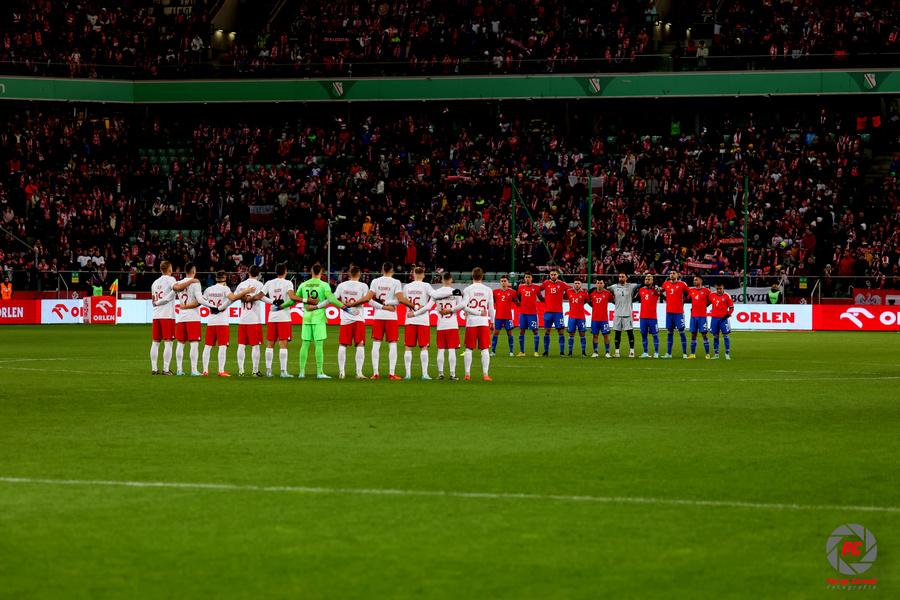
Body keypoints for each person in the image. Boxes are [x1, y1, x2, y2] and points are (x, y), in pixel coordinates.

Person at [294, 263, 355, 379]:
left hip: (306, 317)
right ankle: (319, 372)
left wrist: (281, 306)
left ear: (311, 272)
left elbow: (295, 299)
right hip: (318, 318)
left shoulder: (303, 284)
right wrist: (345, 308)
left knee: (305, 344)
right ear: (321, 272)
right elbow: (331, 299)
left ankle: (301, 372)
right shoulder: (324, 285)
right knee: (319, 345)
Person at [359, 262, 413, 380]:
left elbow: (369, 299)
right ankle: (392, 373)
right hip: (391, 316)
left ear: (382, 269)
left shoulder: (375, 281)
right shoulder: (396, 282)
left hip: (378, 315)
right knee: (392, 344)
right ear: (392, 270)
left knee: (376, 343)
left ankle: (375, 373)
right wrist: (388, 305)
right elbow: (400, 300)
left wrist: (382, 306)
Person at [201, 270, 251, 377]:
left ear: (216, 278)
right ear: (225, 278)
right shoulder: (225, 289)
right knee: (222, 346)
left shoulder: (208, 289)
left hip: (211, 321)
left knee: (208, 346)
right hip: (222, 321)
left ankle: (205, 370)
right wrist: (245, 291)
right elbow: (233, 298)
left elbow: (202, 301)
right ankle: (221, 370)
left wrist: (211, 307)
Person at [415, 272, 464, 379]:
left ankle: (440, 374)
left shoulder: (436, 292)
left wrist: (415, 313)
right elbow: (461, 305)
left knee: (441, 349)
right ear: (451, 280)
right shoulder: (456, 292)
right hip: (452, 324)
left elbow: (428, 307)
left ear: (442, 280)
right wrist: (451, 310)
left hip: (441, 325)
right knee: (452, 349)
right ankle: (452, 374)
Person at [453, 267, 494, 381]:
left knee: (469, 349)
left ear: (472, 276)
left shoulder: (468, 289)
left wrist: (470, 311)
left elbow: (463, 306)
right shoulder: (488, 290)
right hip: (483, 322)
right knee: (485, 349)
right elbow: (491, 308)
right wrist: (492, 321)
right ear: (482, 276)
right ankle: (485, 374)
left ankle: (467, 374)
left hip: (471, 322)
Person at [400, 267, 439, 379]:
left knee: (408, 347)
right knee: (424, 347)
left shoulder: (407, 286)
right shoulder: (426, 285)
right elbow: (435, 296)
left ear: (413, 274)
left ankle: (408, 374)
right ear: (423, 275)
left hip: (410, 320)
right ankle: (425, 374)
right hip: (423, 320)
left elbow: (402, 300)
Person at [334, 266, 370, 379]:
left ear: (350, 273)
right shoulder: (363, 286)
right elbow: (367, 299)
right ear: (359, 274)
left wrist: (344, 305)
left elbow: (333, 298)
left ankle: (341, 372)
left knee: (342, 344)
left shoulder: (342, 285)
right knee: (360, 344)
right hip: (358, 318)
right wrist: (354, 304)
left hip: (345, 319)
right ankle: (359, 372)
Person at [260, 263, 295, 378]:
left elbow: (260, 296)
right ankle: (283, 371)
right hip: (284, 317)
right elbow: (291, 296)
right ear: (285, 271)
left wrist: (272, 302)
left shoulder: (269, 283)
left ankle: (268, 371)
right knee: (283, 344)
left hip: (272, 316)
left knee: (270, 343)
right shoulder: (288, 283)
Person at [172, 262, 203, 376]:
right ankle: (194, 370)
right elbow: (199, 301)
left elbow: (175, 289)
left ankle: (179, 370)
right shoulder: (196, 283)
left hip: (181, 317)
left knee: (180, 343)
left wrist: (183, 306)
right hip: (193, 317)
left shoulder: (179, 283)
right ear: (194, 271)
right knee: (194, 344)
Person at [234, 265, 265, 377]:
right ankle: (255, 371)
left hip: (243, 319)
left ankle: (241, 371)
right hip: (254, 320)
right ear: (258, 274)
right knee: (255, 346)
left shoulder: (241, 285)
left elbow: (234, 297)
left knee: (241, 345)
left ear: (248, 272)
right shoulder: (260, 285)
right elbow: (263, 298)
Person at [149, 261, 177, 375]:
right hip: (167, 315)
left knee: (155, 342)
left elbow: (153, 300)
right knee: (168, 342)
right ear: (170, 269)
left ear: (161, 269)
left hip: (156, 315)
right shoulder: (171, 279)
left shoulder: (154, 283)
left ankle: (154, 368)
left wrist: (157, 302)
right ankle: (166, 369)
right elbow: (174, 291)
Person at [540, 268, 570, 356]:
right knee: (547, 331)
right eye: (551, 275)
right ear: (550, 275)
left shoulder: (562, 284)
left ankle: (562, 352)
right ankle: (546, 351)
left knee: (561, 332)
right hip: (548, 312)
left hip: (558, 312)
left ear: (558, 275)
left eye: (554, 274)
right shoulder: (546, 283)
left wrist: (565, 296)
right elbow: (538, 290)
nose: (553, 276)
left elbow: (570, 290)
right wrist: (542, 299)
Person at [608, 272, 638, 358]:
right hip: (617, 314)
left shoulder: (631, 286)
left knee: (630, 333)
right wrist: (613, 301)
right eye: (620, 277)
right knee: (617, 333)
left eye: (622, 276)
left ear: (626, 278)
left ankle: (632, 352)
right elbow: (605, 290)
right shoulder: (614, 287)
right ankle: (617, 352)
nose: (621, 278)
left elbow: (641, 285)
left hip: (627, 313)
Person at [661, 271, 690, 358]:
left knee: (681, 332)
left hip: (679, 313)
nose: (672, 274)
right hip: (669, 312)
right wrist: (665, 298)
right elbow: (659, 292)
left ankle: (684, 353)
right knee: (669, 332)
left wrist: (684, 301)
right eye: (670, 273)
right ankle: (668, 353)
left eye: (674, 273)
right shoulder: (666, 284)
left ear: (677, 275)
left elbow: (689, 293)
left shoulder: (682, 284)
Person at [515, 272, 542, 356]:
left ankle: (536, 351)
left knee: (535, 331)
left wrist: (548, 301)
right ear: (524, 278)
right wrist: (518, 303)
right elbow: (518, 298)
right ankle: (522, 352)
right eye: (526, 277)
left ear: (531, 278)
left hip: (532, 313)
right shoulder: (520, 287)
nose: (527, 279)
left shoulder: (536, 287)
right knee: (522, 331)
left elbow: (541, 298)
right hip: (523, 313)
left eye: (529, 277)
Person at [491, 275, 517, 357]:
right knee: (496, 333)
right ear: (500, 282)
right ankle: (493, 351)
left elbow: (517, 302)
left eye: (505, 281)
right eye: (502, 281)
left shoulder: (513, 292)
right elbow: (491, 303)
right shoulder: (495, 292)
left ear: (508, 282)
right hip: (498, 316)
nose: (503, 282)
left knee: (510, 333)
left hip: (508, 317)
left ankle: (511, 351)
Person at [687, 276, 712, 359]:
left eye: (696, 280)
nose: (694, 281)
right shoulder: (691, 290)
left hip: (702, 316)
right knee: (693, 335)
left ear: (701, 281)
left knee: (704, 334)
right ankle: (692, 354)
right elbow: (687, 299)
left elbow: (711, 300)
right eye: (694, 280)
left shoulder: (706, 291)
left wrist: (705, 306)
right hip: (693, 316)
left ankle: (707, 354)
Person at [637, 274, 662, 358]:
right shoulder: (641, 290)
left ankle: (656, 353)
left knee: (655, 335)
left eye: (649, 279)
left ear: (652, 281)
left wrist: (657, 288)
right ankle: (645, 352)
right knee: (643, 335)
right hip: (643, 317)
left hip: (652, 317)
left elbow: (660, 293)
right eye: (646, 279)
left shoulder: (655, 290)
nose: (647, 280)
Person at [709, 282, 735, 360]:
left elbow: (731, 308)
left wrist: (727, 315)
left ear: (723, 288)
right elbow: (707, 303)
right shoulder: (712, 295)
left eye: (720, 288)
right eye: (717, 289)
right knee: (715, 336)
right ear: (715, 288)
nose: (719, 290)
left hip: (723, 319)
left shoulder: (727, 296)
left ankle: (727, 354)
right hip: (714, 319)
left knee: (726, 336)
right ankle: (716, 354)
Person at [589, 278, 613, 358]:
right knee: (595, 335)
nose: (599, 284)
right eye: (598, 283)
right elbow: (588, 301)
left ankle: (607, 352)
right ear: (596, 284)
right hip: (594, 319)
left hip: (604, 319)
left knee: (606, 335)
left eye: (601, 283)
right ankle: (595, 352)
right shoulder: (592, 293)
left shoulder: (607, 293)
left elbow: (613, 300)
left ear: (603, 284)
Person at [564, 279, 589, 357]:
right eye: (575, 283)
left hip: (581, 317)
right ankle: (570, 352)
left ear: (581, 284)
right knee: (571, 334)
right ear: (573, 284)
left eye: (578, 283)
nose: (577, 285)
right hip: (572, 317)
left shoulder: (584, 293)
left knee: (582, 334)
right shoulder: (569, 291)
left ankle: (583, 352)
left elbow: (587, 301)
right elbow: (564, 296)